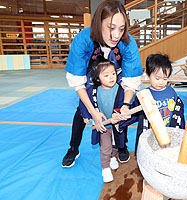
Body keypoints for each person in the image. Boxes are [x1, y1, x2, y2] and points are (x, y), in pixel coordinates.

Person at [62, 0, 143, 168]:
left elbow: (131, 79)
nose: (116, 35)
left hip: (116, 79)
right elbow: (78, 81)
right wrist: (92, 112)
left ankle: (121, 146)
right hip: (91, 81)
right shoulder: (84, 40)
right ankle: (73, 148)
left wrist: (126, 105)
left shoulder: (128, 43)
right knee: (81, 112)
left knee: (120, 111)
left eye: (121, 29)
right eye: (111, 27)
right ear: (99, 23)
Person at [118, 54, 186, 153]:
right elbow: (133, 113)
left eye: (165, 78)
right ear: (148, 74)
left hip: (169, 131)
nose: (161, 82)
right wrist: (122, 118)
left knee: (169, 153)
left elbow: (178, 111)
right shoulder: (144, 95)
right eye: (157, 78)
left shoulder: (171, 92)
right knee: (152, 154)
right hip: (151, 133)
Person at [80, 60, 127, 182]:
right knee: (106, 146)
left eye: (113, 73)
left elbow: (124, 104)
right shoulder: (93, 91)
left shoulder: (120, 90)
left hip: (117, 125)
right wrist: (86, 115)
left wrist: (120, 113)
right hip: (104, 125)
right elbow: (84, 102)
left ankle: (112, 157)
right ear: (97, 78)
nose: (111, 77)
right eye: (106, 75)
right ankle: (105, 168)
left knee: (116, 144)